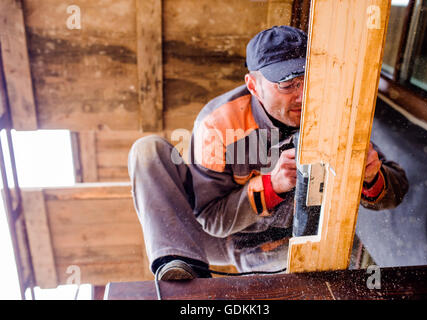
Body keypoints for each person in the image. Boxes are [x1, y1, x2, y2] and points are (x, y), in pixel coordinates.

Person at [128, 26, 409, 280]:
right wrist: (270, 186)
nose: (302, 96)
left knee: (346, 280)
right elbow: (212, 219)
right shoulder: (218, 125)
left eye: (306, 80)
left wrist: (372, 176)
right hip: (230, 239)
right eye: (287, 86)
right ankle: (182, 269)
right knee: (146, 151)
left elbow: (396, 192)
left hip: (303, 233)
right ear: (253, 86)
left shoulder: (332, 108)